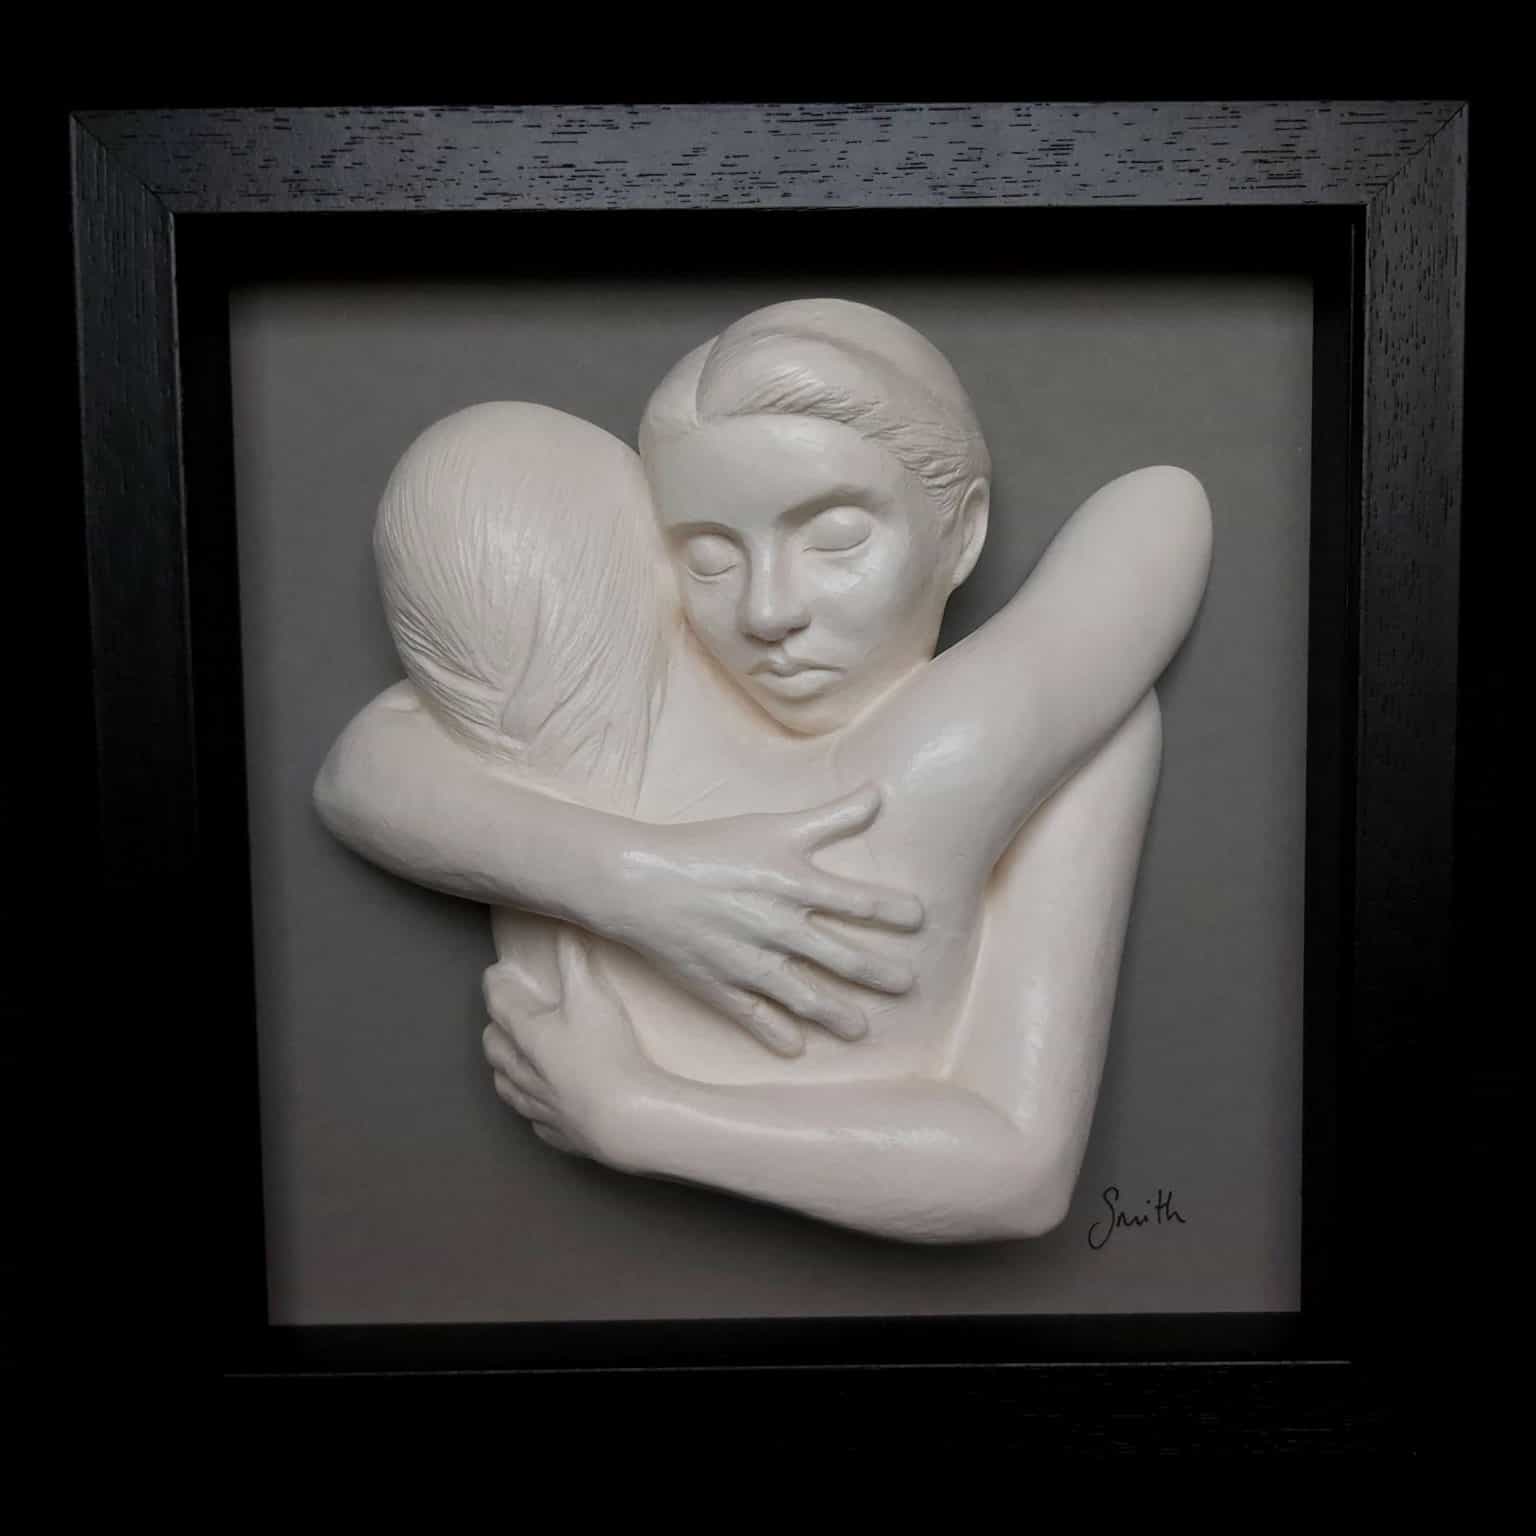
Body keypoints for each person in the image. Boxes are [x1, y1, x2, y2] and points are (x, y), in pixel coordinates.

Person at [316, 299, 1211, 1242]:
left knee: (953, 749)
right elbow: (358, 771)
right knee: (480, 462)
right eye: (708, 557)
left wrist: (641, 1117)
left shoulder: (1044, 730)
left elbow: (1017, 1175)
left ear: (963, 531)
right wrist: (639, 882)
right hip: (591, 1243)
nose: (768, 612)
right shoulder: (633, 686)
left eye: (837, 540)